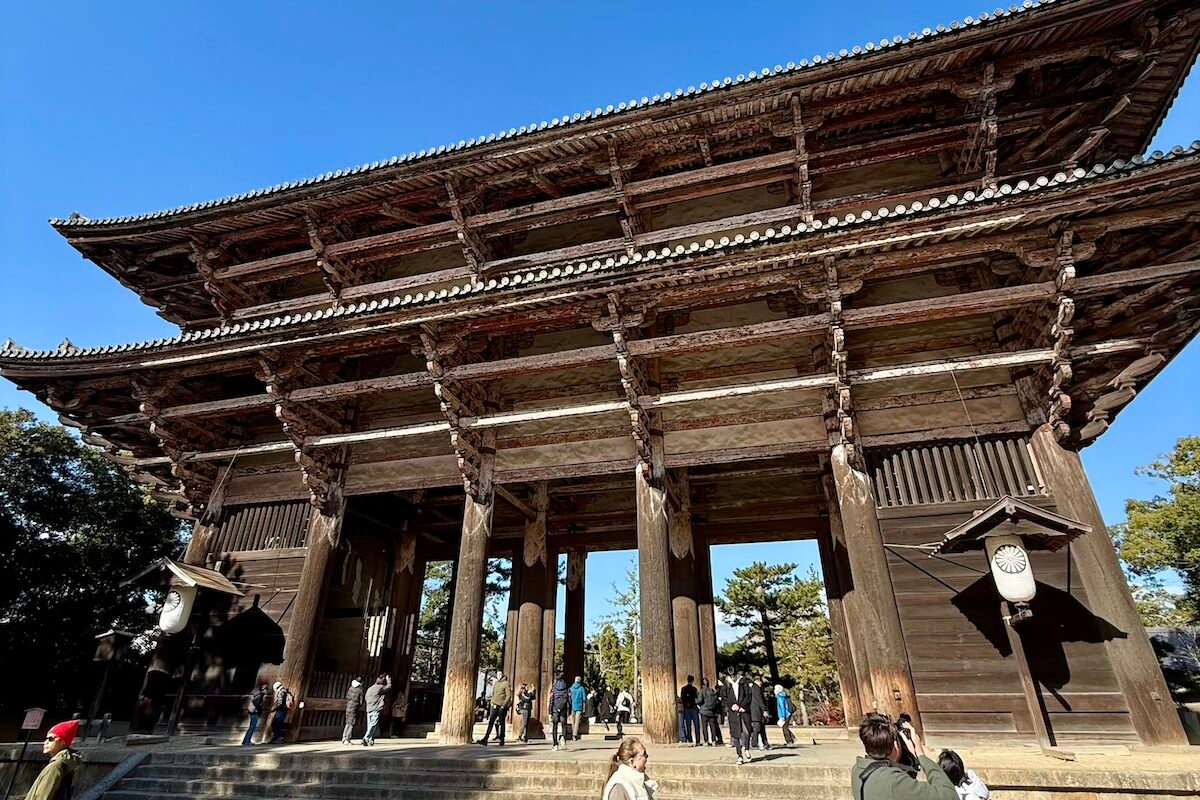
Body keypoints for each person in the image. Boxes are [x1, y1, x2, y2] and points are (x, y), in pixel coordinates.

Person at [851, 713, 957, 800]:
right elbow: (950, 796)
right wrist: (920, 754)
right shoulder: (894, 781)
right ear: (896, 745)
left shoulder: (858, 769)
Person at [25, 720, 82, 800]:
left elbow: (43, 796)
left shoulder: (55, 766)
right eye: (46, 739)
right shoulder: (66, 763)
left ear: (62, 742)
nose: (45, 742)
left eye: (50, 739)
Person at [721, 668, 753, 765]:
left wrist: (744, 706)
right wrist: (731, 705)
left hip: (743, 710)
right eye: (731, 676)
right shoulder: (726, 685)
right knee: (736, 735)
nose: (733, 678)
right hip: (733, 713)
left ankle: (746, 747)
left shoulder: (744, 683)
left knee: (747, 731)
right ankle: (739, 755)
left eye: (734, 676)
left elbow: (749, 696)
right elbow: (724, 698)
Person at [478, 669, 512, 746]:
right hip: (494, 706)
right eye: (497, 674)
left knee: (501, 723)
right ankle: (485, 739)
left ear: (502, 675)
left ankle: (502, 739)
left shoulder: (506, 683)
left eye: (500, 674)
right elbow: (493, 694)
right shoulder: (496, 683)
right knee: (491, 722)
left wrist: (504, 705)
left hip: (501, 706)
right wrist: (492, 702)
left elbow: (508, 695)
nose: (499, 676)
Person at [362, 673, 390, 746]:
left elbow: (366, 697)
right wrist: (388, 680)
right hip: (376, 708)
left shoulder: (370, 688)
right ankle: (366, 737)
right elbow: (389, 687)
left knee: (370, 725)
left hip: (369, 708)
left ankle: (370, 740)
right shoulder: (380, 688)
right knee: (373, 724)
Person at [697, 678, 723, 746]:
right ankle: (714, 740)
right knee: (712, 726)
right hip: (712, 711)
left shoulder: (702, 691)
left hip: (704, 711)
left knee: (704, 727)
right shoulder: (712, 690)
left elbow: (699, 700)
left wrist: (696, 701)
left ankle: (706, 740)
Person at [748, 674, 771, 751]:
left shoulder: (753, 688)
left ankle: (765, 743)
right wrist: (764, 709)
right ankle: (754, 743)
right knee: (757, 728)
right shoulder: (756, 688)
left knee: (761, 728)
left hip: (757, 711)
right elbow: (759, 699)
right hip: (756, 711)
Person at [549, 675, 572, 750]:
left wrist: (550, 711)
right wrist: (569, 710)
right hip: (563, 709)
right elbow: (569, 699)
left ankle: (555, 744)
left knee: (554, 726)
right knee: (564, 725)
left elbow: (551, 699)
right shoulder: (566, 688)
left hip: (555, 709)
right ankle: (563, 738)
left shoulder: (553, 688)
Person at [678, 675, 700, 747]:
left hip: (687, 708)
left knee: (688, 725)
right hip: (694, 708)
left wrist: (686, 704)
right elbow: (697, 698)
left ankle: (690, 739)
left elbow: (682, 698)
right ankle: (698, 740)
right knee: (696, 725)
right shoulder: (694, 689)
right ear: (693, 681)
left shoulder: (683, 689)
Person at [341, 678, 364, 745]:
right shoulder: (360, 689)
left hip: (348, 706)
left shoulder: (351, 688)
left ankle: (344, 737)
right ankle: (347, 739)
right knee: (351, 724)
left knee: (347, 723)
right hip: (354, 707)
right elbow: (361, 701)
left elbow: (347, 696)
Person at [570, 675, 588, 740]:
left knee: (573, 720)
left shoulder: (571, 688)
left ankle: (572, 733)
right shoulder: (581, 688)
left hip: (573, 706)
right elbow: (584, 698)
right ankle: (575, 734)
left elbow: (570, 697)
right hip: (579, 706)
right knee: (577, 721)